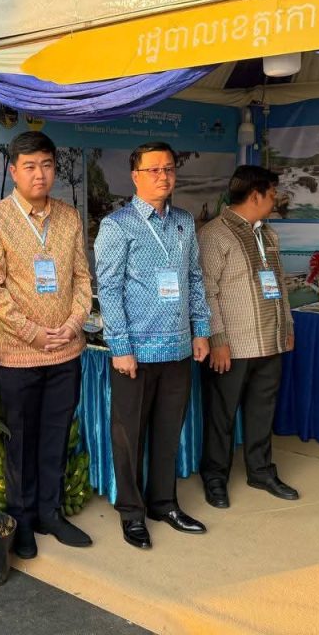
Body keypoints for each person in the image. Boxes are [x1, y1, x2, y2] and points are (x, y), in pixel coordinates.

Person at [0, 131, 93, 560]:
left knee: (56, 436)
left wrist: (73, 324)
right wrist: (33, 333)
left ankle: (50, 513)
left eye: (46, 165)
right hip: (19, 355)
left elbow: (82, 279)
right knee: (21, 441)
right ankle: (21, 520)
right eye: (29, 166)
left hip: (66, 351)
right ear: (13, 172)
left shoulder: (69, 217)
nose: (39, 174)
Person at [94, 143, 211, 549]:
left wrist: (201, 329)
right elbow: (109, 289)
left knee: (168, 431)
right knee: (129, 437)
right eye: (154, 170)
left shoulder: (183, 222)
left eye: (169, 169)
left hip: (178, 349)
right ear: (136, 176)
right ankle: (132, 513)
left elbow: (194, 278)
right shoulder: (117, 226)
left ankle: (164, 503)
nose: (164, 176)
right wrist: (120, 346)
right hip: (136, 354)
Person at [198, 165, 299, 509]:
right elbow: (206, 291)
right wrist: (217, 339)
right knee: (221, 416)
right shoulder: (215, 234)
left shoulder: (268, 235)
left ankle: (261, 471)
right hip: (233, 346)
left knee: (262, 411)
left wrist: (287, 327)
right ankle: (215, 477)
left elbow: (279, 285)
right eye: (272, 193)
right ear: (256, 195)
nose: (275, 199)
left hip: (270, 341)